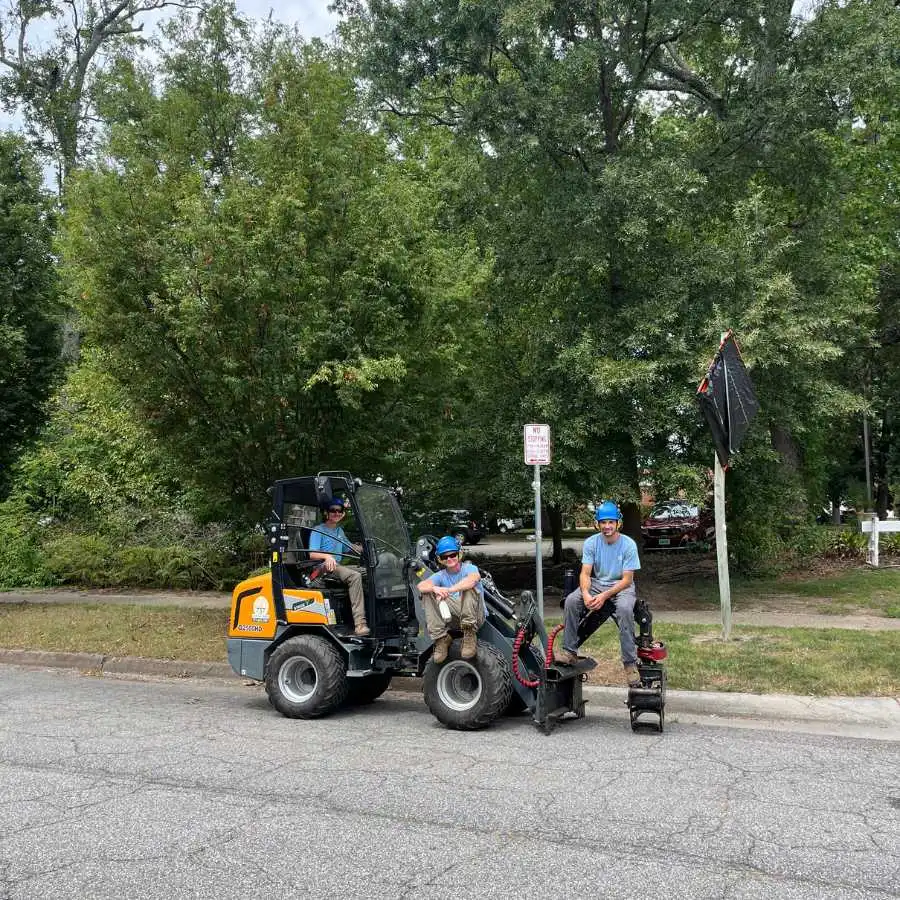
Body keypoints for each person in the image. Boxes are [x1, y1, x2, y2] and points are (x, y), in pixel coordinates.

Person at [555, 501, 642, 687]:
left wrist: (603, 596)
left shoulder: (628, 545)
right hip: (597, 583)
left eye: (611, 522)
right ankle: (570, 651)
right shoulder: (591, 543)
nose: (607, 526)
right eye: (603, 522)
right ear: (597, 524)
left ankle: (630, 663)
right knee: (571, 601)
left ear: (618, 523)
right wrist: (586, 594)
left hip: (622, 586)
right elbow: (585, 573)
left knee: (625, 609)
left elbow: (627, 580)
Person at [308, 497, 370, 637]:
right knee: (354, 576)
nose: (336, 513)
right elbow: (312, 554)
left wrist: (364, 547)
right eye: (333, 510)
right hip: (323, 568)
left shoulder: (339, 532)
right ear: (327, 513)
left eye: (339, 510)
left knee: (370, 572)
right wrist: (326, 557)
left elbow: (349, 548)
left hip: (337, 566)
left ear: (343, 513)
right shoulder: (319, 530)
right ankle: (360, 624)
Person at [417, 535, 485, 663]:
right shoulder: (440, 575)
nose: (449, 559)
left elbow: (472, 580)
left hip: (475, 616)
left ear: (459, 553)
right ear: (439, 559)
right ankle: (441, 638)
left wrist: (449, 590)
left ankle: (470, 634)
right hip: (454, 618)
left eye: (452, 554)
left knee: (469, 589)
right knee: (427, 593)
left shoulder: (470, 569)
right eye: (444, 556)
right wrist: (435, 589)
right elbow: (421, 586)